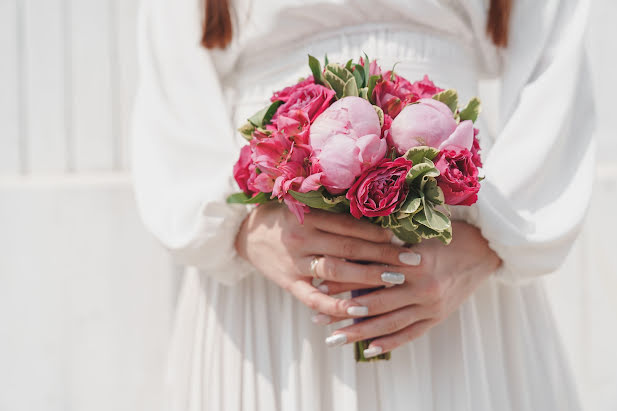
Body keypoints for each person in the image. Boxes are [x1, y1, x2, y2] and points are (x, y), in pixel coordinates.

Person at [131, 0, 595, 409]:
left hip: (456, 263)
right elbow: (172, 71)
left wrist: (487, 247)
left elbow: (554, 57)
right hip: (272, 264)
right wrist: (243, 233)